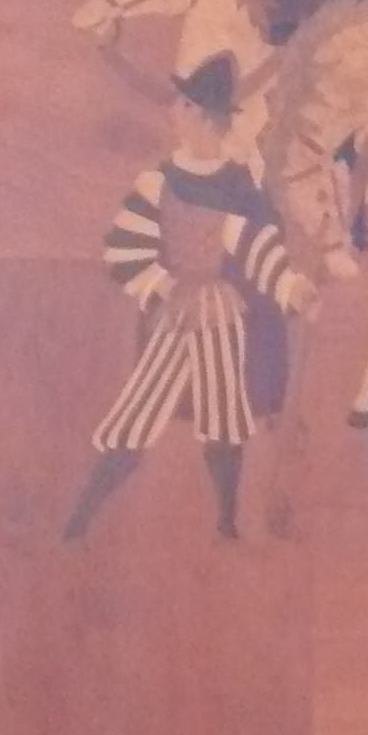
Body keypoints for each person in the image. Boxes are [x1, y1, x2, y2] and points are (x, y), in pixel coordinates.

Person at [65, 52, 315, 540]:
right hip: (175, 316)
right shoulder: (158, 181)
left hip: (221, 316)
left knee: (224, 416)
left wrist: (291, 288)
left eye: (181, 104)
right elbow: (124, 248)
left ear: (202, 116)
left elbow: (257, 248)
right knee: (137, 414)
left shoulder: (240, 185)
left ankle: (226, 524)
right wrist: (164, 286)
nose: (173, 110)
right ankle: (80, 521)